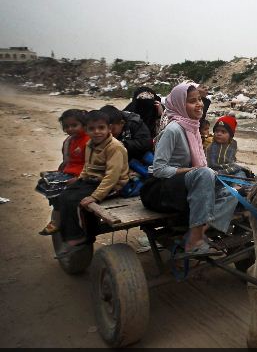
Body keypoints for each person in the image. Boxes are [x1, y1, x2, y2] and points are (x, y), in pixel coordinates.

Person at [140, 83, 238, 255]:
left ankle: (202, 229)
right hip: (161, 190)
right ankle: (194, 240)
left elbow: (200, 169)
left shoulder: (192, 127)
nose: (199, 104)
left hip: (186, 186)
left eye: (199, 99)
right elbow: (159, 170)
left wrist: (202, 173)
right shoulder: (173, 129)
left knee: (234, 191)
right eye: (192, 101)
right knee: (205, 173)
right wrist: (194, 171)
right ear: (179, 104)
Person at [56, 110, 129, 249]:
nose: (97, 132)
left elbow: (112, 176)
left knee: (75, 200)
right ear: (86, 130)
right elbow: (87, 165)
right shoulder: (90, 144)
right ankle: (72, 232)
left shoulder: (115, 147)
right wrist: (80, 179)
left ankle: (82, 236)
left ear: (109, 128)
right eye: (91, 128)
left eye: (101, 128)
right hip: (93, 180)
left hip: (114, 185)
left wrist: (95, 197)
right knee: (64, 194)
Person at [38, 109, 90, 235]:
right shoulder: (69, 141)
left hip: (81, 174)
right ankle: (57, 213)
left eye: (74, 125)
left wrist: (79, 177)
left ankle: (59, 220)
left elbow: (92, 164)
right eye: (66, 126)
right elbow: (67, 160)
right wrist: (58, 171)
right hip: (69, 171)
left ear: (83, 124)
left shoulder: (89, 140)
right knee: (45, 182)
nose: (70, 129)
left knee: (58, 189)